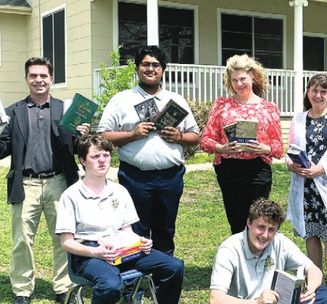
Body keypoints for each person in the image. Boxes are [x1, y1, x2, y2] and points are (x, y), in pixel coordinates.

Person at [0, 57, 90, 304]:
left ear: (51, 78)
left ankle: (63, 286)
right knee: (21, 240)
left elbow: (76, 149)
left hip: (59, 182)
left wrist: (83, 135)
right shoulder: (13, 112)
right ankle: (22, 290)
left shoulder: (65, 110)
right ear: (26, 78)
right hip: (25, 184)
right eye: (33, 75)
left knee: (63, 237)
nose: (38, 80)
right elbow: (3, 147)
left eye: (43, 75)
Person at [56, 134, 184, 304]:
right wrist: (96, 252)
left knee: (174, 267)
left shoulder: (119, 191)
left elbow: (127, 231)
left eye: (106, 155)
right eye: (95, 156)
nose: (102, 160)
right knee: (110, 285)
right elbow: (66, 243)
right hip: (89, 255)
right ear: (83, 161)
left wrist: (140, 241)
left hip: (122, 250)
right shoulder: (71, 196)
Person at [97, 45, 200, 256]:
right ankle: (137, 280)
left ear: (163, 69)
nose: (150, 69)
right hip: (134, 177)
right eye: (145, 64)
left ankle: (163, 277)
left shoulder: (176, 101)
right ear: (137, 68)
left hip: (170, 177)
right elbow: (102, 135)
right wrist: (132, 134)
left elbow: (195, 137)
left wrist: (179, 137)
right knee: (135, 230)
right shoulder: (121, 100)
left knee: (165, 229)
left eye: (155, 65)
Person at [286, 74, 327, 304]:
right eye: (314, 90)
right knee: (311, 234)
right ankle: (316, 285)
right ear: (308, 93)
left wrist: (321, 169)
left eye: (323, 91)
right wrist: (292, 165)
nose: (318, 95)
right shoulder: (298, 119)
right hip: (305, 188)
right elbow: (290, 150)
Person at [200, 54, 283, 234]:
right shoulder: (221, 105)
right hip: (229, 169)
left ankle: (258, 259)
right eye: (234, 80)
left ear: (253, 76)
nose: (239, 84)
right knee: (236, 220)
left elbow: (278, 149)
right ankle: (238, 260)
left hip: (258, 169)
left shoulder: (268, 108)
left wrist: (264, 148)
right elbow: (206, 140)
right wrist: (222, 148)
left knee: (259, 220)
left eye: (243, 79)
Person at [209, 198, 327, 304]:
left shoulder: (280, 242)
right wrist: (256, 302)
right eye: (261, 227)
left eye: (271, 229)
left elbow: (314, 270)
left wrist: (310, 289)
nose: (265, 235)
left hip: (274, 300)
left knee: (322, 294)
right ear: (249, 223)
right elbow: (215, 299)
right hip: (248, 302)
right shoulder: (229, 249)